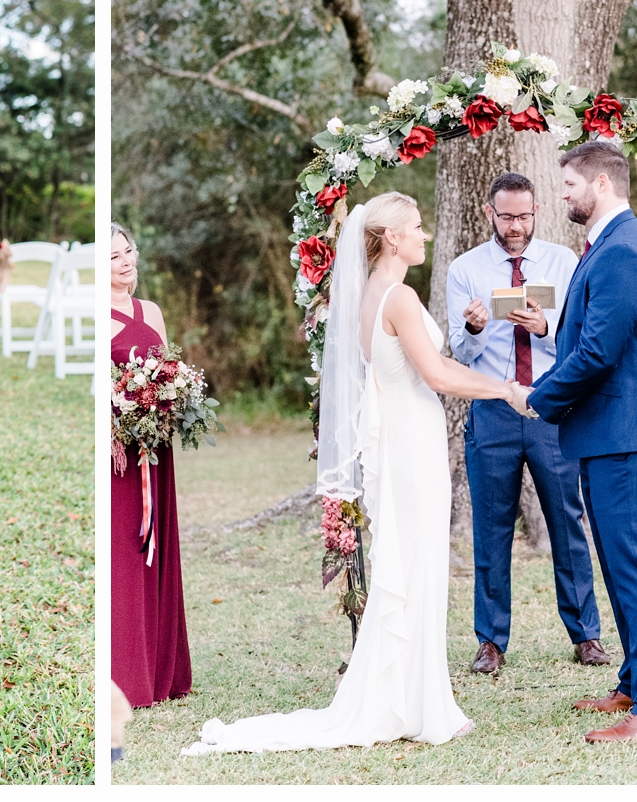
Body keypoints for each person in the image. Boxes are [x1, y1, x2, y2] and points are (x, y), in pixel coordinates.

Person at [184, 192, 530, 755]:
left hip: (401, 438)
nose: (426, 233)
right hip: (412, 443)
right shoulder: (398, 297)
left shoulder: (371, 294)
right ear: (391, 238)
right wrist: (507, 389)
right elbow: (438, 374)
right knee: (418, 564)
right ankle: (426, 708)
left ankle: (414, 698)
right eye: (417, 226)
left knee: (413, 563)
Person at [519, 141, 637, 744]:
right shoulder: (610, 246)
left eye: (568, 184)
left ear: (602, 185)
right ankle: (636, 682)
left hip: (629, 434)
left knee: (635, 566)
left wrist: (537, 396)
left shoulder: (623, 251)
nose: (562, 194)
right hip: (610, 431)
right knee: (618, 563)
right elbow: (584, 332)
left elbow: (597, 352)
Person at [446, 171, 607, 675]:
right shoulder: (465, 269)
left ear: (537, 212)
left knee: (567, 521)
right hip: (493, 409)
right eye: (506, 216)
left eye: (524, 215)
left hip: (551, 406)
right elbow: (458, 350)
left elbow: (584, 343)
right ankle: (490, 641)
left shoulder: (565, 262)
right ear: (489, 213)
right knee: (491, 527)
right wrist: (474, 327)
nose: (515, 226)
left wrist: (547, 327)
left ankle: (587, 635)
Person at [110, 222, 192, 708]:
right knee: (126, 553)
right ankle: (125, 673)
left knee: (155, 552)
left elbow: (166, 370)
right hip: (121, 453)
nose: (126, 262)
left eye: (129, 251)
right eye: (114, 256)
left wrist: (171, 403)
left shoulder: (151, 312)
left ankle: (160, 669)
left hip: (155, 448)